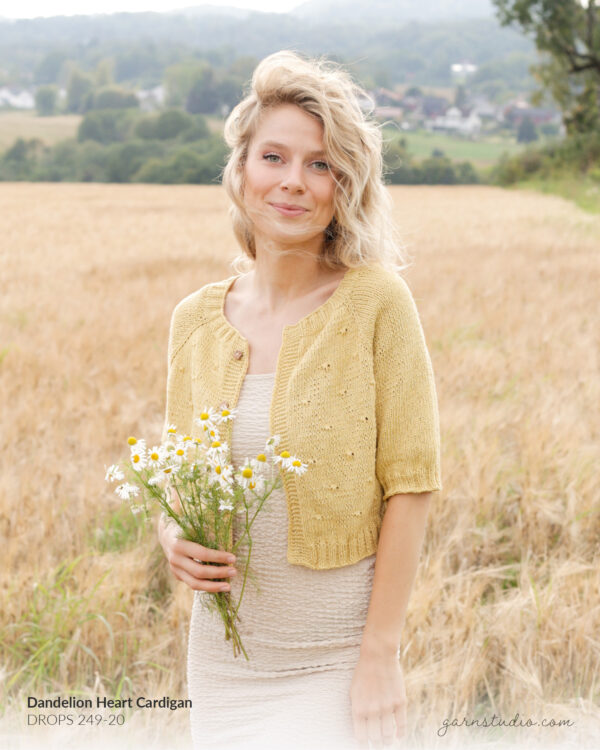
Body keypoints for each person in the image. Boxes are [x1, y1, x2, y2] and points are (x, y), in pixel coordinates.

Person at [157, 50, 442, 750]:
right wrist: (171, 538)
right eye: (274, 157)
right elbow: (177, 476)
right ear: (242, 171)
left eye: (320, 165)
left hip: (336, 664)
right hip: (223, 663)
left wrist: (379, 655)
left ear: (345, 186)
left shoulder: (376, 304)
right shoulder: (194, 320)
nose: (292, 182)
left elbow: (412, 485)